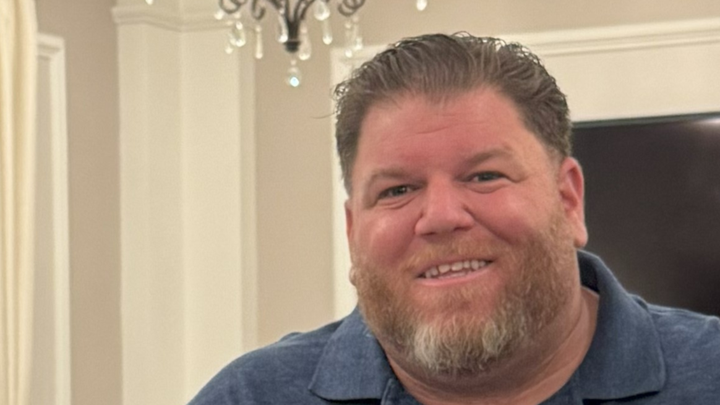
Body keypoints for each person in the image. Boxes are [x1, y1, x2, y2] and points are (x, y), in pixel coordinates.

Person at [188, 33, 720, 405]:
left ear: (568, 200)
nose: (440, 217)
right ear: (352, 233)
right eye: (397, 190)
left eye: (484, 176)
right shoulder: (249, 396)